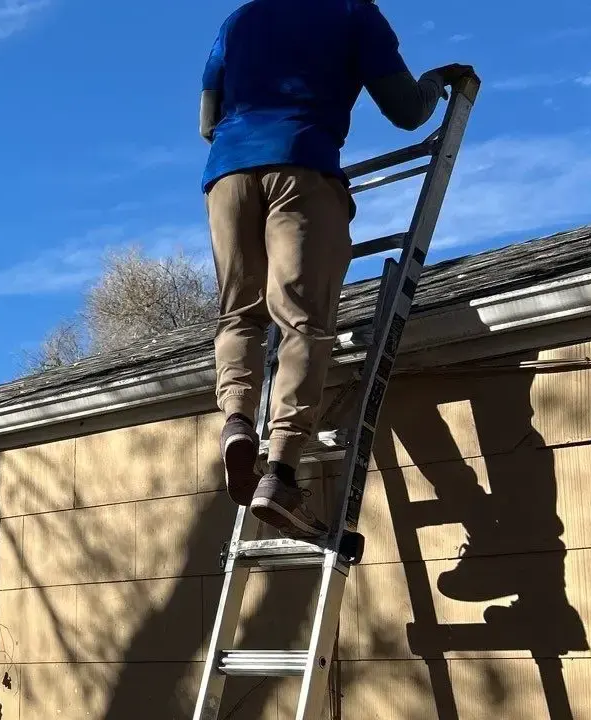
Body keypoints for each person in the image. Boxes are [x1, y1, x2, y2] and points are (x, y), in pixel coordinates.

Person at [201, 0, 474, 539]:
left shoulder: (239, 20)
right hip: (302, 164)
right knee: (303, 319)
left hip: (227, 176)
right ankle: (279, 470)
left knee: (240, 314)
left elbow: (209, 122)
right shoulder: (353, 12)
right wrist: (438, 79)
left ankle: (237, 422)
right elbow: (405, 111)